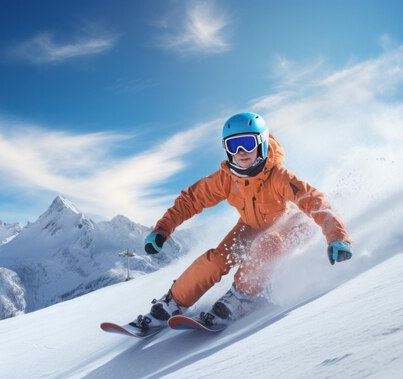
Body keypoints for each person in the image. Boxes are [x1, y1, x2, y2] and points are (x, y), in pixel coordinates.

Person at [137, 112, 352, 329]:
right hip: (249, 226)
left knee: (266, 244)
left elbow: (314, 201)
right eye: (233, 145)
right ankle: (173, 301)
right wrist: (162, 229)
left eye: (247, 143)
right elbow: (190, 200)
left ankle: (241, 297)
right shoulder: (227, 179)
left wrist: (337, 236)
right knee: (215, 260)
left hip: (290, 224)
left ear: (262, 143)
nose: (240, 152)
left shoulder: (278, 176)